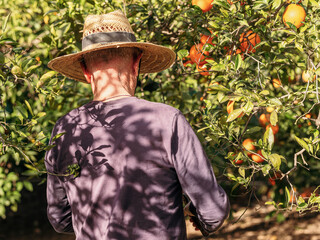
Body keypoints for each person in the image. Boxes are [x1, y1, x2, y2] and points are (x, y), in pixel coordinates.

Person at [45, 10, 229, 240]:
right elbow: (213, 211)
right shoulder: (167, 121)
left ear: (85, 71)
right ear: (136, 62)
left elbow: (60, 218)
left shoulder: (65, 129)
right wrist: (197, 215)